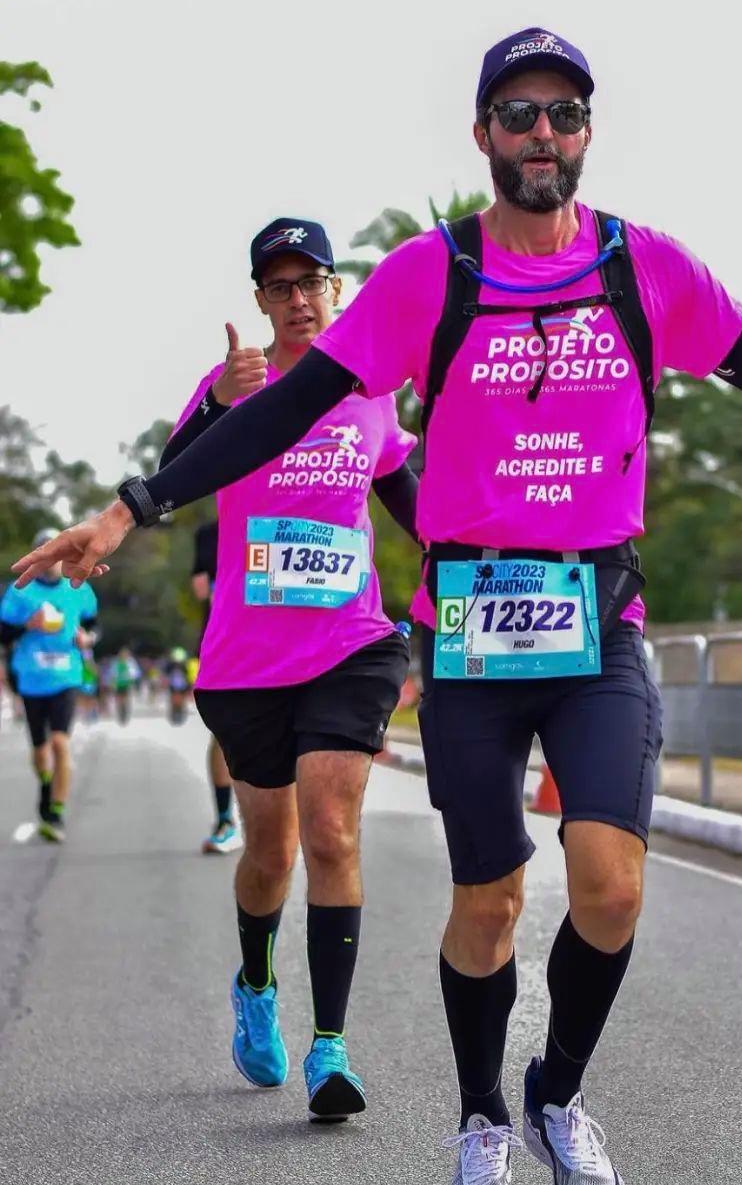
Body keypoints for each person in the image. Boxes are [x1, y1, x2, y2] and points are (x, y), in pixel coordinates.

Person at [12, 29, 742, 1183]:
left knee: (611, 889)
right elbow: (286, 409)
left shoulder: (644, 268)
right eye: (518, 114)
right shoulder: (431, 275)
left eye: (564, 115)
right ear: (483, 136)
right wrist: (133, 507)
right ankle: (478, 1117)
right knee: (491, 899)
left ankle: (555, 1092)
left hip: (598, 622)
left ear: (586, 135)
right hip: (466, 628)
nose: (542, 135)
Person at [146, 215, 419, 1122]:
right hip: (247, 660)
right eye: (280, 286)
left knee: (332, 830)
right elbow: (169, 481)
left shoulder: (370, 389)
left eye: (314, 283)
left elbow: (404, 491)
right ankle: (256, 983)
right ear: (260, 299)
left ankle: (331, 1047)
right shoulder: (238, 386)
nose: (299, 301)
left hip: (350, 646)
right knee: (269, 850)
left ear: (338, 290)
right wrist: (222, 403)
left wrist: (477, 557)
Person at [2, 527, 97, 842]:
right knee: (40, 751)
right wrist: (29, 625)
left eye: (59, 550)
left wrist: (88, 637)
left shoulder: (78, 588)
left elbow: (94, 625)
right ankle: (46, 784)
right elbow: (3, 633)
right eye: (46, 551)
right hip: (30, 678)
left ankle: (55, 812)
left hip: (66, 676)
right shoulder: (20, 591)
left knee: (60, 743)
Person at [191, 520, 239, 854]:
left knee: (224, 734)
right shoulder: (209, 533)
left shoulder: (209, 532)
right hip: (231, 638)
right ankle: (226, 819)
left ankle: (225, 820)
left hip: (227, 637)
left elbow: (200, 589)